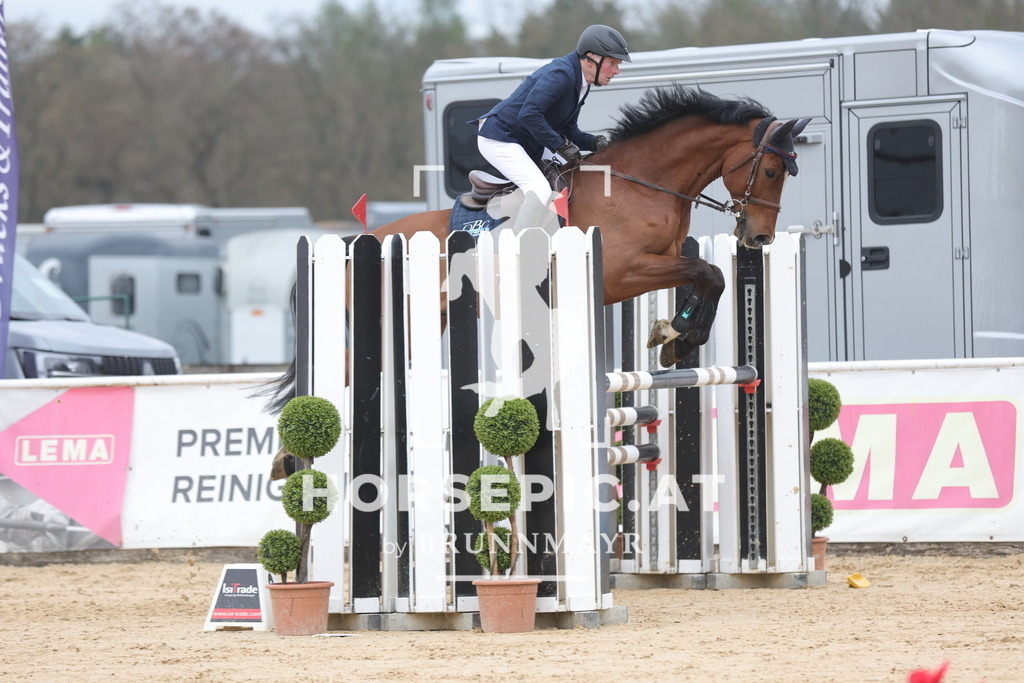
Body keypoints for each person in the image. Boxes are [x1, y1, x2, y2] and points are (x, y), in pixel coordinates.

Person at [476, 24, 630, 229]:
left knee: (572, 177)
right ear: (591, 58)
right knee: (538, 189)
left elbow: (568, 129)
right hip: (499, 136)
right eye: (612, 63)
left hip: (525, 139)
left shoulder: (582, 84)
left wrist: (594, 143)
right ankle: (519, 249)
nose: (616, 71)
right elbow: (529, 115)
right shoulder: (561, 75)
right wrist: (560, 144)